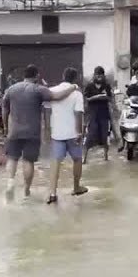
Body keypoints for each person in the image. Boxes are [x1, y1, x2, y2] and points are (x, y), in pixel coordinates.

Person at [1, 64, 78, 201]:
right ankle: (26, 191)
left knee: (12, 158)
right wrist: (72, 87)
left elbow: (4, 109)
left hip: (14, 131)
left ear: (24, 75)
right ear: (36, 76)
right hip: (32, 133)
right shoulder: (38, 89)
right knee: (28, 161)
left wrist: (6, 128)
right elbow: (57, 96)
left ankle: (10, 182)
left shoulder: (11, 89)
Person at [45, 67, 88, 204]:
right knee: (77, 159)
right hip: (73, 133)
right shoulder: (77, 94)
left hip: (57, 133)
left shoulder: (52, 90)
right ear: (75, 78)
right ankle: (76, 187)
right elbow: (79, 114)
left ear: (63, 76)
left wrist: (47, 129)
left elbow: (46, 112)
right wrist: (80, 132)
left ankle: (52, 193)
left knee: (55, 162)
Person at [83, 66, 116, 160]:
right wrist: (96, 97)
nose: (99, 77)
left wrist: (105, 97)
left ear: (103, 75)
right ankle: (84, 158)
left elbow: (110, 98)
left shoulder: (107, 86)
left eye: (101, 75)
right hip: (93, 114)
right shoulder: (89, 86)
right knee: (90, 135)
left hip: (104, 114)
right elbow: (86, 99)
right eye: (97, 75)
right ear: (94, 75)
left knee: (105, 136)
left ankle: (105, 157)